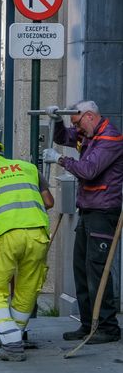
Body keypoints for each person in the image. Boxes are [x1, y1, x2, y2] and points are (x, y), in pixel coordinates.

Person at [42, 100, 123, 344]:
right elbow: (62, 138)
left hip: (104, 212)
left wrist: (60, 160)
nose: (76, 128)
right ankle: (88, 324)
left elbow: (88, 170)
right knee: (81, 268)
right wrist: (57, 120)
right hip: (88, 211)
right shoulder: (88, 134)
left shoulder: (109, 139)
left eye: (77, 122)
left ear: (89, 116)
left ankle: (107, 327)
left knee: (97, 269)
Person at [0, 137, 54, 361]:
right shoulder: (29, 169)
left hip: (5, 237)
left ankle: (11, 343)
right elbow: (49, 201)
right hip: (37, 234)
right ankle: (14, 336)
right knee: (27, 288)